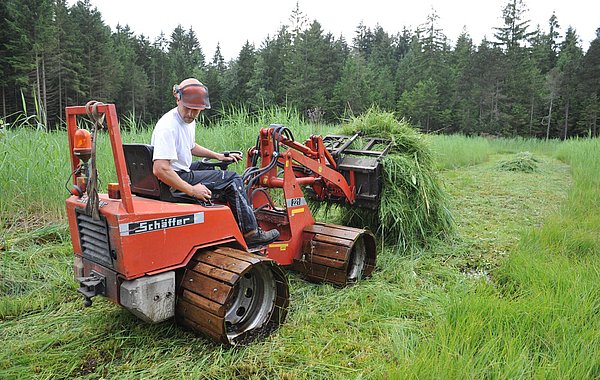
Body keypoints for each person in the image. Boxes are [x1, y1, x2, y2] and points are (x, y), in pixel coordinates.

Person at [151, 78, 279, 248]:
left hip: (179, 170)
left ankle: (231, 220)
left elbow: (190, 146)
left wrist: (218, 156)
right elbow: (160, 169)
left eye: (196, 111)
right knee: (232, 178)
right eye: (187, 109)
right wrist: (192, 190)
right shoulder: (168, 126)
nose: (190, 114)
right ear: (178, 99)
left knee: (208, 166)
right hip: (172, 179)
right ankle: (251, 232)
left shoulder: (186, 121)